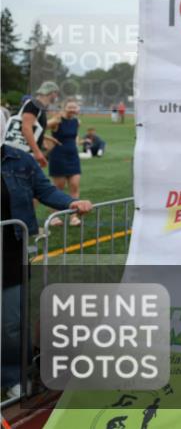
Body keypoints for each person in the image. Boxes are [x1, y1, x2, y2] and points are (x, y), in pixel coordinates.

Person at [1, 143, 93, 398]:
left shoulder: (19, 159)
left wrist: (72, 202)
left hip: (10, 252)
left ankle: (13, 376)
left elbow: (45, 190)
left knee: (11, 322)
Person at [3, 81, 59, 169]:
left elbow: (35, 128)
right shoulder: (34, 104)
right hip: (20, 154)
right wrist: (37, 152)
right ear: (52, 93)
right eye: (56, 93)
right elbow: (26, 128)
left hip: (21, 154)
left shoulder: (38, 107)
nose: (57, 97)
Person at [47, 99, 83, 227]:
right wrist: (48, 139)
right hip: (58, 157)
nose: (72, 109)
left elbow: (74, 136)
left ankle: (73, 217)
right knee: (58, 188)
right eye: (70, 107)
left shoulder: (77, 121)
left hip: (73, 156)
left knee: (74, 186)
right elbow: (38, 128)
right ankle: (54, 217)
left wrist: (76, 143)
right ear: (64, 107)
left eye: (74, 107)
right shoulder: (57, 120)